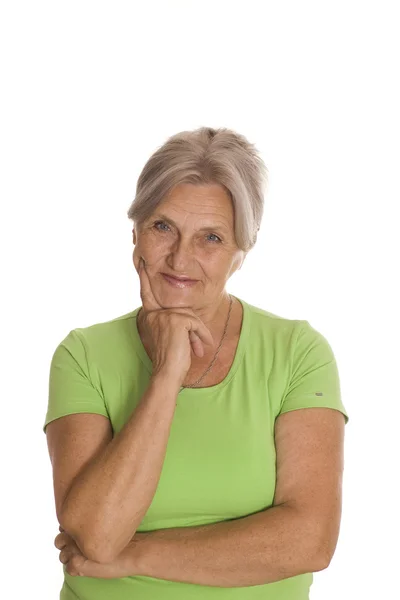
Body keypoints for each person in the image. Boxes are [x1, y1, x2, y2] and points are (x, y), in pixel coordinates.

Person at [44, 126, 349, 600]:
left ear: (240, 253)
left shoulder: (298, 353)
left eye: (210, 237)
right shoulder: (82, 356)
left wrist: (134, 556)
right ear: (136, 233)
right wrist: (167, 375)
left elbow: (309, 540)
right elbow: (98, 536)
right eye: (163, 227)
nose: (180, 258)